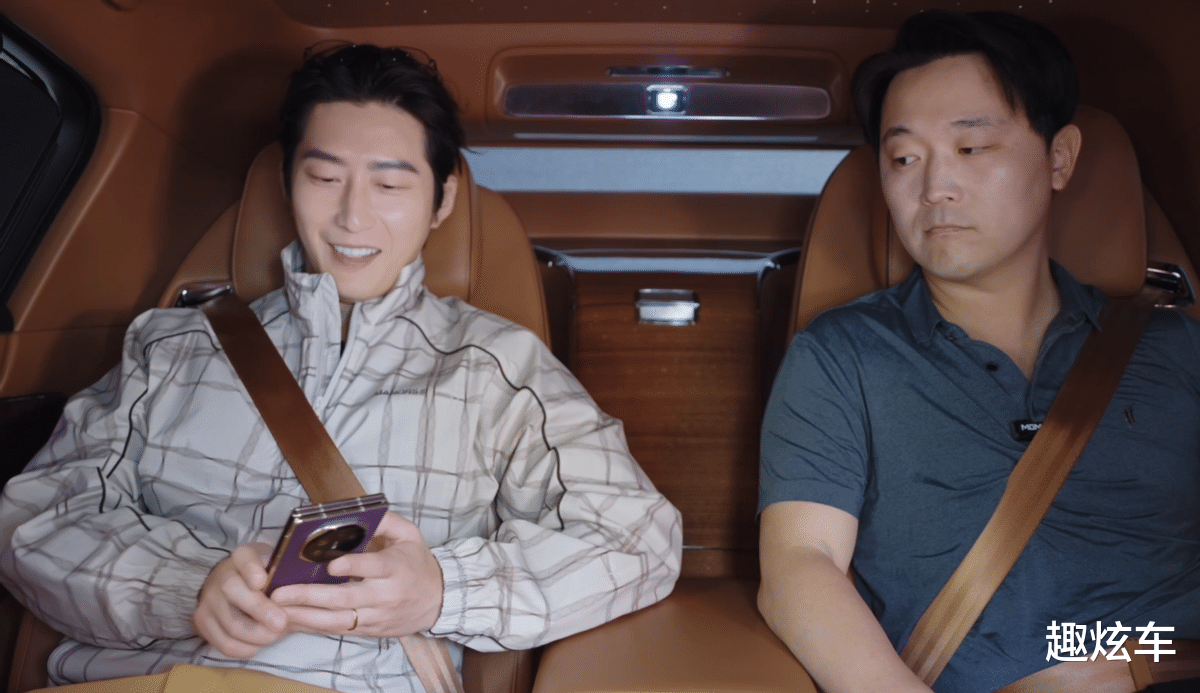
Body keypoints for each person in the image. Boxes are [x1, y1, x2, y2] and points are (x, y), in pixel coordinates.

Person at [0, 43, 681, 692]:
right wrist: (183, 584)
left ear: (442, 200)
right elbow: (32, 520)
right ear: (286, 182)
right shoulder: (168, 348)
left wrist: (443, 589)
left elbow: (639, 540)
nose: (353, 217)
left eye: (389, 183)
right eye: (324, 178)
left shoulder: (503, 369)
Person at [758, 11, 1200, 693]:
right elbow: (801, 562)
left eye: (970, 147)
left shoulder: (1178, 349)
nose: (934, 187)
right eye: (904, 158)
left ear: (1060, 158)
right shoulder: (843, 357)